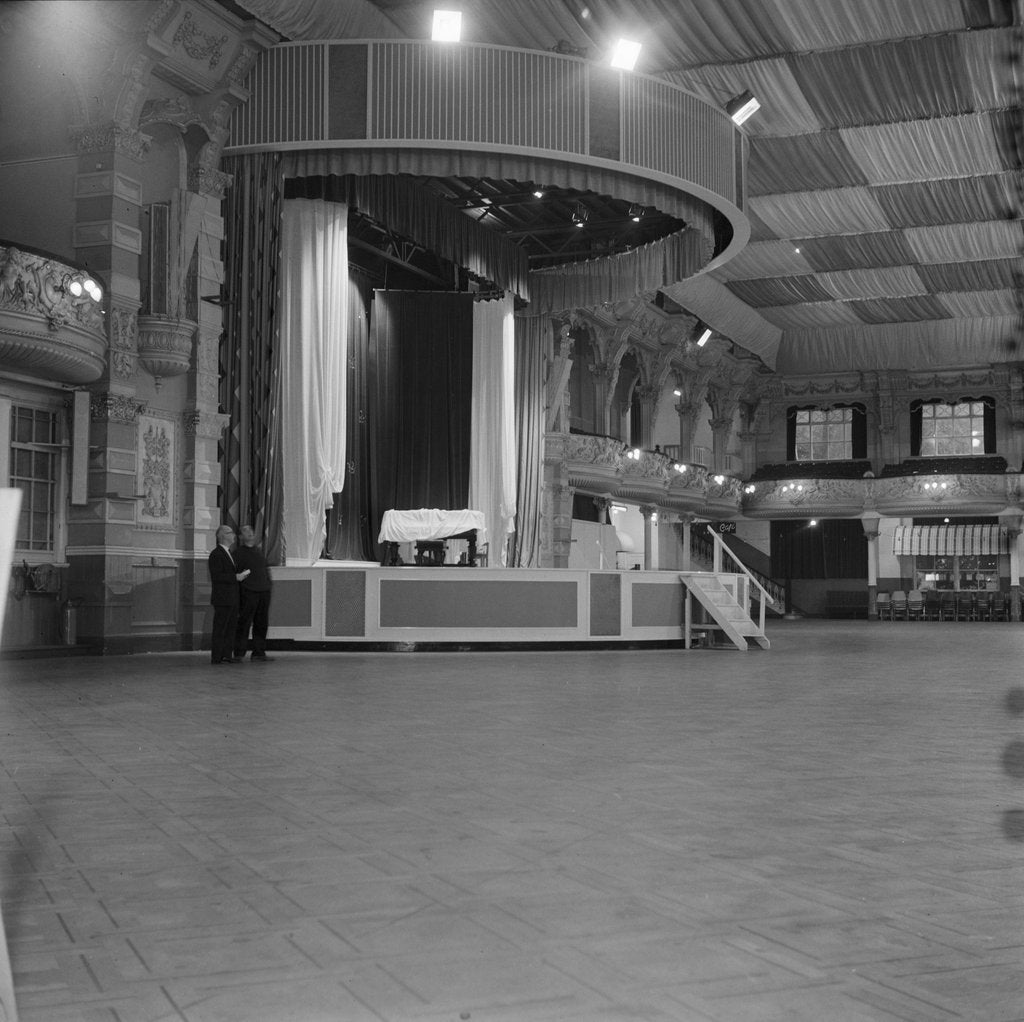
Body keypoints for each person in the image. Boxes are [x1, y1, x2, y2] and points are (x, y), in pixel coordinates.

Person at [208, 524, 249, 664]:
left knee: (230, 628)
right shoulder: (216, 554)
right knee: (220, 627)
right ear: (222, 536)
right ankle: (217, 656)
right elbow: (217, 576)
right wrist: (235, 577)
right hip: (222, 598)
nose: (234, 535)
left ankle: (227, 654)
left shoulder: (229, 553)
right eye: (230, 532)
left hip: (232, 597)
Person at [233, 525, 274, 662]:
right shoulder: (238, 553)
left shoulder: (259, 551)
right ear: (240, 537)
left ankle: (258, 652)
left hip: (263, 591)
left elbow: (265, 570)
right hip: (248, 592)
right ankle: (239, 653)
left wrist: (268, 586)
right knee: (244, 623)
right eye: (245, 530)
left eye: (251, 530)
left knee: (262, 623)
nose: (250, 532)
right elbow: (236, 575)